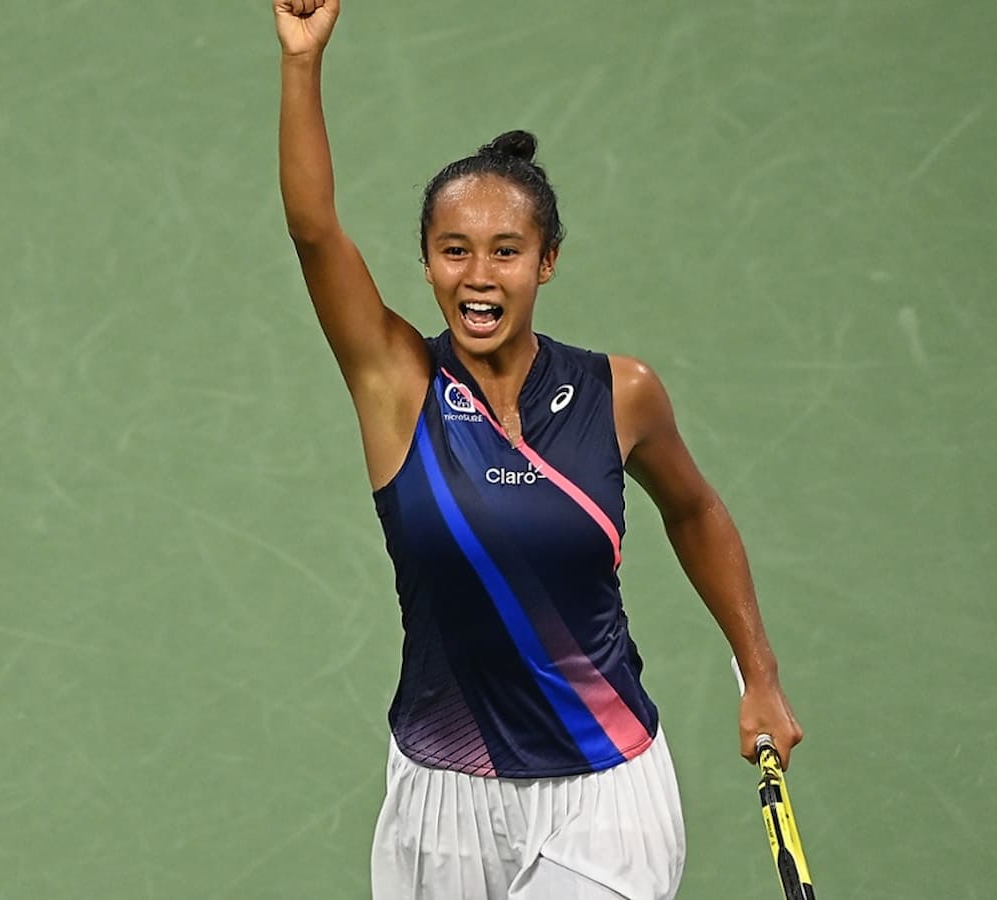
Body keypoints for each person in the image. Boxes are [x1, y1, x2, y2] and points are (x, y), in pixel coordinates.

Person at [273, 2, 804, 898]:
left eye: (505, 252)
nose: (478, 276)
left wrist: (759, 673)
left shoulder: (619, 392)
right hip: (441, 796)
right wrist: (300, 63)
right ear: (427, 262)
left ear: (546, 261)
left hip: (603, 790)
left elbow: (696, 509)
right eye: (454, 251)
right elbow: (315, 229)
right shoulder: (395, 383)